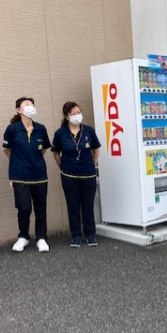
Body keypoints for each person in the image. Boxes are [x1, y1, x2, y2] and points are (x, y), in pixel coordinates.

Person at [3, 97, 52, 252]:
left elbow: (43, 149)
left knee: (40, 208)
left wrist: (32, 159)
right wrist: (19, 161)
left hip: (39, 175)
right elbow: (7, 149)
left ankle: (41, 238)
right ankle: (23, 236)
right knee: (23, 207)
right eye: (27, 104)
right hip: (20, 175)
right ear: (18, 110)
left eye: (32, 104)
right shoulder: (12, 129)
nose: (31, 106)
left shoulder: (41, 128)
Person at [51, 102, 101, 247]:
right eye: (73, 113)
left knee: (88, 205)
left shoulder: (89, 131)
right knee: (73, 205)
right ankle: (76, 235)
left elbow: (96, 150)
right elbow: (55, 153)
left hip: (88, 174)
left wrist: (92, 164)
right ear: (66, 116)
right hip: (69, 175)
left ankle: (90, 234)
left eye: (78, 112)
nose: (77, 115)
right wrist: (63, 167)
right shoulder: (60, 133)